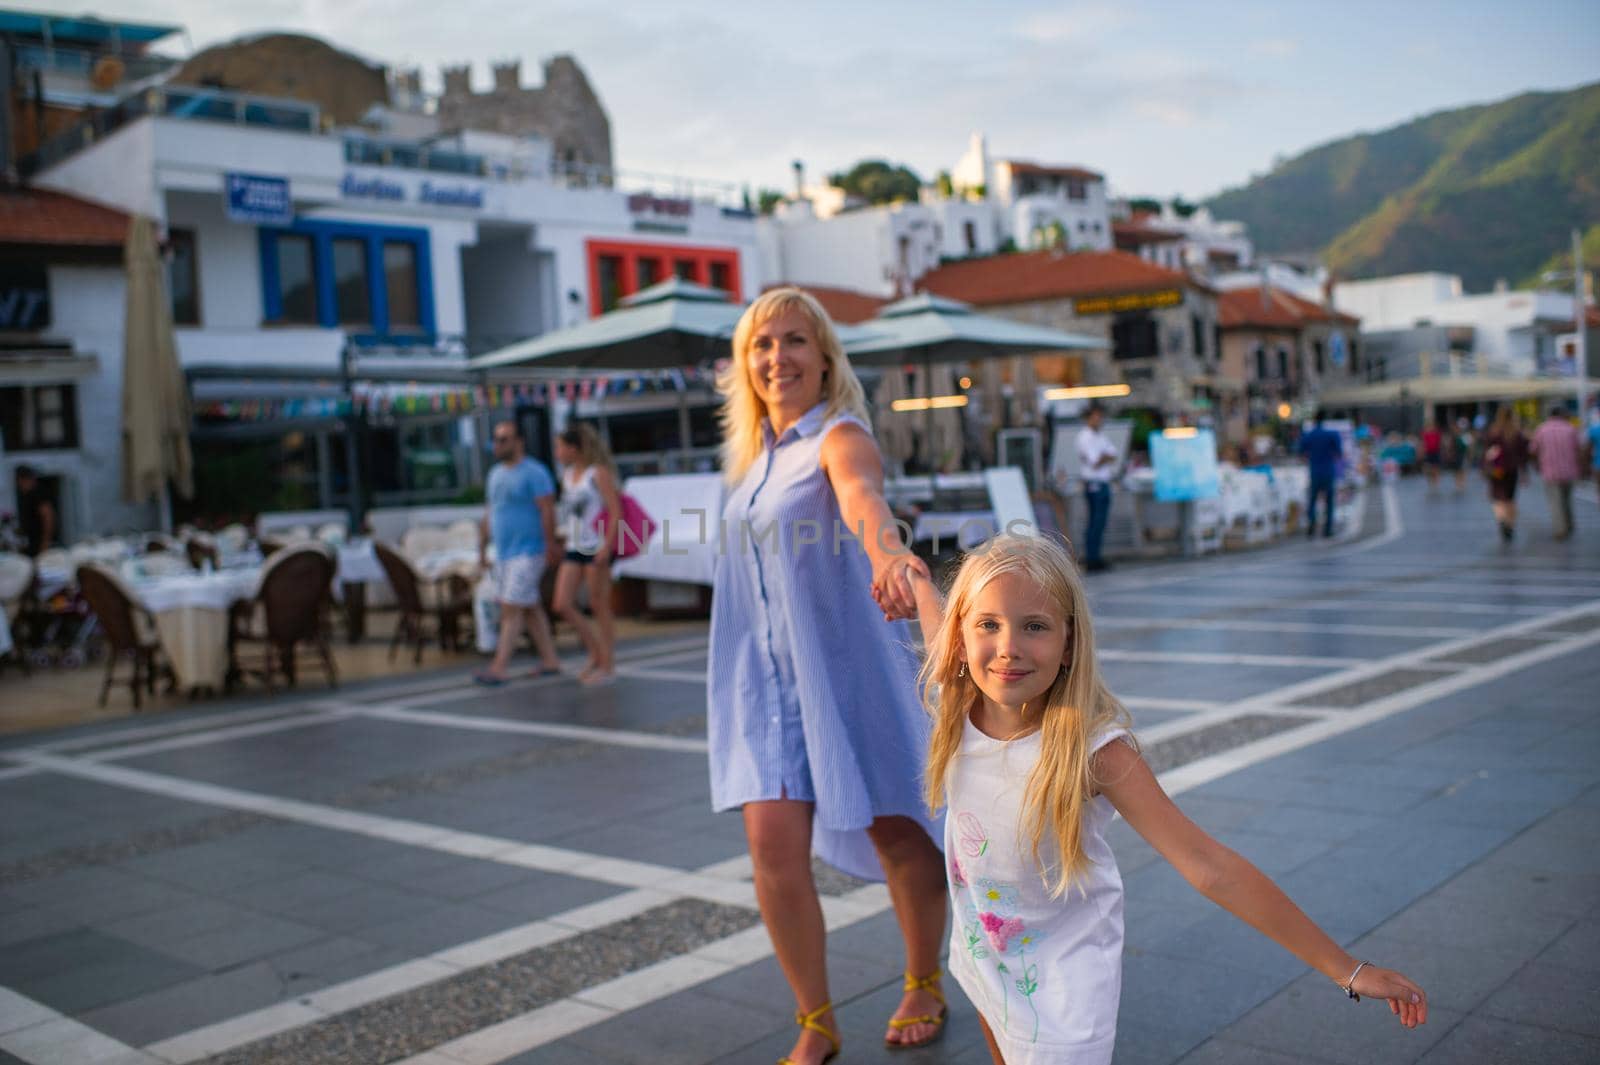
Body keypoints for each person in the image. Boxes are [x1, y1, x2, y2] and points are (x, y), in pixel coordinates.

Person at [902, 535, 1427, 1065]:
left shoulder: (1093, 751)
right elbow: (934, 618)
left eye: (1034, 625)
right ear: (961, 637)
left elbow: (1208, 866)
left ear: (1069, 645)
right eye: (988, 624)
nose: (1009, 645)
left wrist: (1347, 969)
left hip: (1063, 977)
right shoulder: (960, 702)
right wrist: (917, 580)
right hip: (986, 953)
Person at [708, 287, 947, 1064]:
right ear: (746, 365)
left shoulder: (838, 435)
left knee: (898, 830)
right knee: (772, 850)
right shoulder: (750, 465)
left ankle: (923, 977)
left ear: (823, 356)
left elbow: (861, 498)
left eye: (794, 340)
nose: (778, 356)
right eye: (761, 344)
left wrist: (887, 555)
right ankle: (815, 1018)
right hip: (762, 684)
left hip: (838, 673)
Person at [475, 421, 562, 685]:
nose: (498, 445)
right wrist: (481, 546)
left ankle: (499, 666)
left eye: (504, 439)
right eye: (496, 440)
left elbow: (547, 509)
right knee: (530, 608)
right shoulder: (495, 475)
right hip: (504, 552)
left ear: (518, 442)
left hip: (529, 550)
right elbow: (491, 511)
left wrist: (550, 544)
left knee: (511, 608)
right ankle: (550, 660)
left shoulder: (534, 472)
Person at [552, 423, 622, 686]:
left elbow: (615, 511)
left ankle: (608, 664)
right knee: (562, 603)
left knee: (599, 605)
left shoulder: (597, 473)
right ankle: (596, 652)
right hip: (574, 544)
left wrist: (607, 546)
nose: (558, 452)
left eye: (561, 447)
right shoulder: (568, 476)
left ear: (574, 449)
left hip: (595, 544)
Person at [1528, 403, 1582, 541]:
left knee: (1555, 501)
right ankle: (1569, 524)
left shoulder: (1542, 429)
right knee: (1567, 499)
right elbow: (1579, 449)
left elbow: (1533, 450)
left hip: (1550, 471)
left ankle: (1560, 529)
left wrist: (1537, 464)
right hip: (1569, 470)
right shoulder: (1570, 429)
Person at [1074, 403, 1117, 572]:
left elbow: (1112, 455)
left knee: (1100, 522)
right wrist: (1105, 457)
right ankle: (1092, 557)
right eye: (1095, 417)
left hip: (1102, 482)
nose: (1099, 420)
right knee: (1095, 521)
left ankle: (1096, 555)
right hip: (1094, 484)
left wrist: (1105, 457)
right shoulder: (1085, 437)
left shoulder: (1100, 436)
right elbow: (1096, 462)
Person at [1481, 407, 1528, 543]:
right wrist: (1524, 472)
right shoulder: (1516, 433)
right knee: (1510, 499)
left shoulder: (1494, 432)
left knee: (1498, 498)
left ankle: (1502, 520)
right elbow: (1523, 455)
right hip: (1512, 469)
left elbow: (1486, 452)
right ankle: (1510, 524)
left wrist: (1485, 467)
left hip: (1497, 470)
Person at [1299, 411, 1342, 538]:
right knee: (1329, 501)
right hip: (1328, 470)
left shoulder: (1309, 435)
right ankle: (1327, 529)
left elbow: (1301, 452)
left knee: (1312, 500)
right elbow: (1338, 453)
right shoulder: (1332, 434)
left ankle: (1311, 523)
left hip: (1314, 470)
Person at [14, 466, 56, 557]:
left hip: (40, 543)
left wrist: (45, 543)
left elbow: (48, 517)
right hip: (30, 542)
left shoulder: (38, 493)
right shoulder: (26, 495)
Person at [1448, 418, 1474, 495]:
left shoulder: (1465, 436)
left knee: (1461, 469)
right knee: (1456, 470)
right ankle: (1458, 483)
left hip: (1462, 455)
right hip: (1456, 455)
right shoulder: (1454, 436)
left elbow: (1469, 447)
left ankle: (1461, 483)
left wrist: (1470, 455)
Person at [1420, 418, 1443, 495]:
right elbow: (1423, 443)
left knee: (1436, 468)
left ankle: (1435, 483)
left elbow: (1440, 443)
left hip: (1435, 452)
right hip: (1428, 453)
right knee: (1428, 469)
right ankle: (1430, 482)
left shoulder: (1436, 433)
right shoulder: (1425, 434)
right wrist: (1422, 452)